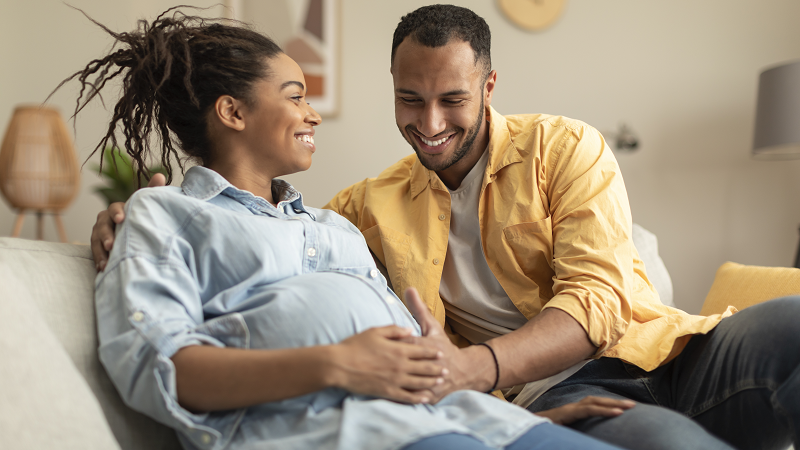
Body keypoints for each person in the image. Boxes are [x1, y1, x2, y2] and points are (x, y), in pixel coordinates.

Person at [91, 4, 800, 450]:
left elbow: (598, 300)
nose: (429, 125)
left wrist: (472, 372)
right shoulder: (357, 211)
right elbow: (253, 236)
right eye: (409, 100)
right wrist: (132, 212)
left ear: (489, 87)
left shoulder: (565, 147)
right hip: (543, 393)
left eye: (452, 100)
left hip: (660, 350)